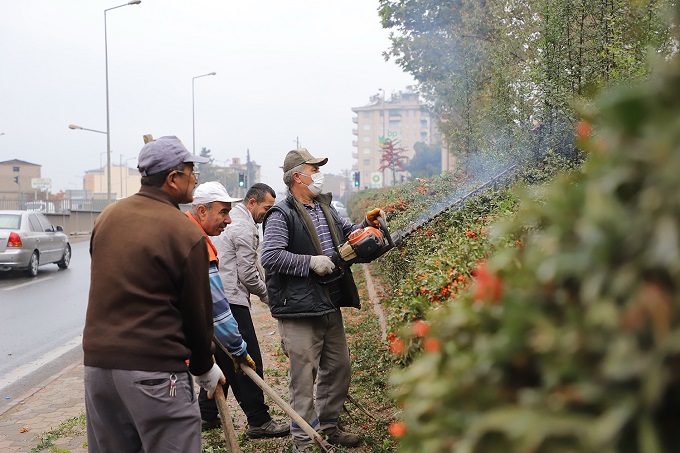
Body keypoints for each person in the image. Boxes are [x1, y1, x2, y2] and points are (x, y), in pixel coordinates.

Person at [83, 136, 227, 453]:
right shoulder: (184, 231)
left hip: (98, 370)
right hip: (153, 371)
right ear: (173, 179)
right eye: (192, 172)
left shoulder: (107, 216)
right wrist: (204, 366)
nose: (195, 179)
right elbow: (197, 313)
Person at [261, 148, 385, 453]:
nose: (318, 174)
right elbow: (271, 256)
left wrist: (367, 227)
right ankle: (303, 441)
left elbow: (348, 233)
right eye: (313, 169)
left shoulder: (325, 208)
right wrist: (310, 262)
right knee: (303, 378)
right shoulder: (282, 214)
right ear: (297, 177)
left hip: (328, 299)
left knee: (339, 367)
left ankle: (328, 427)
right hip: (300, 309)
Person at [199, 182, 290, 438]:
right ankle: (259, 421)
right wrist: (267, 295)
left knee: (226, 361)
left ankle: (205, 413)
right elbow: (248, 274)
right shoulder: (243, 227)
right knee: (248, 360)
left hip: (221, 298)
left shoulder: (237, 222)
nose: (268, 213)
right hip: (230, 301)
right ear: (252, 202)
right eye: (266, 207)